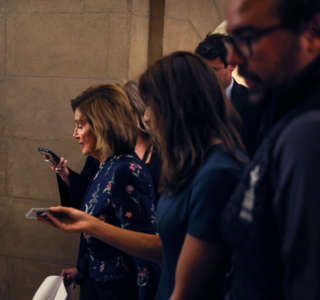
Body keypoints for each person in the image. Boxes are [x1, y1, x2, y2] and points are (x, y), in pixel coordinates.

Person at [45, 51, 246, 300]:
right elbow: (165, 247)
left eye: (152, 105)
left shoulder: (218, 173)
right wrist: (88, 224)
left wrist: (90, 225)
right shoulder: (191, 164)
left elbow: (192, 284)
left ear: (180, 106)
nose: (147, 117)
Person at [221, 0, 320, 299]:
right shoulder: (281, 117)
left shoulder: (308, 134)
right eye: (233, 39)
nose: (234, 57)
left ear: (312, 32)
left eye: (248, 37)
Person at [39, 83, 159, 300]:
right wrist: (82, 270)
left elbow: (144, 252)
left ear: (102, 125)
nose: (74, 134)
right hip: (96, 283)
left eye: (80, 125)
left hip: (119, 292)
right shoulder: (105, 164)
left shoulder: (125, 170)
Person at [196, 33, 262, 157]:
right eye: (202, 69)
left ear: (232, 65)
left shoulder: (254, 103)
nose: (206, 75)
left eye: (214, 70)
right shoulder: (189, 100)